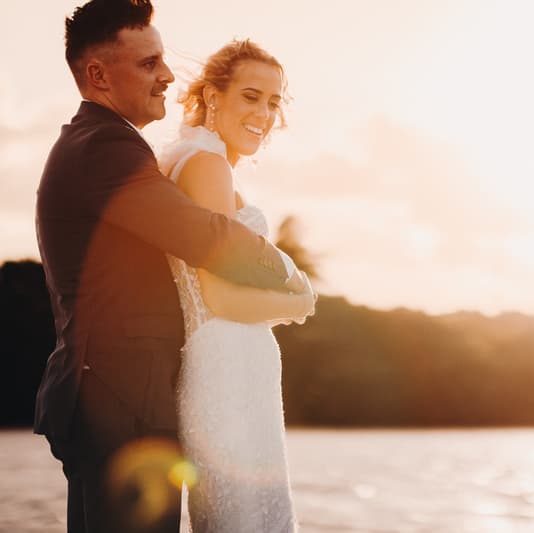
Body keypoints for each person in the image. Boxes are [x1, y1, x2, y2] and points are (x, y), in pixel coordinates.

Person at [34, 1, 313, 532]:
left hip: (119, 396)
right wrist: (293, 279)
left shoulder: (108, 144)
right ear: (98, 74)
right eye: (149, 63)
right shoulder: (105, 148)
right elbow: (205, 235)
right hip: (119, 400)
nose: (167, 75)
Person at [158, 39, 313, 533]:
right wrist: (297, 302)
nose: (263, 114)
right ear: (212, 96)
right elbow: (219, 297)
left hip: (232, 367)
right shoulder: (207, 166)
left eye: (273, 102)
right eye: (250, 97)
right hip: (226, 367)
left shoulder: (198, 160)